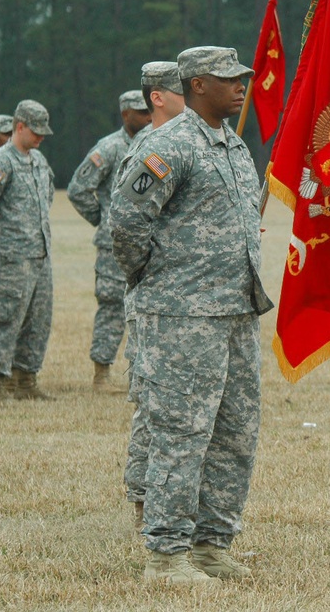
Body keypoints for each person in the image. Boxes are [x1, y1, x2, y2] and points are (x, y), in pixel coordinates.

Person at [110, 46, 272, 586]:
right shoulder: (168, 144)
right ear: (196, 85)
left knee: (234, 433)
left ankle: (211, 544)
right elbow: (127, 224)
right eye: (228, 79)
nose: (241, 87)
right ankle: (167, 555)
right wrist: (158, 281)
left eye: (243, 78)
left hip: (235, 312)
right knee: (181, 434)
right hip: (181, 318)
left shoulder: (232, 145)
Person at [120, 60, 186, 527]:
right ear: (157, 96)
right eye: (180, 89)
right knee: (154, 400)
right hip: (159, 299)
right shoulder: (152, 149)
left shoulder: (196, 144)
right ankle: (144, 499)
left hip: (192, 301)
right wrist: (149, 274)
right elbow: (127, 227)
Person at [67, 90, 151, 392]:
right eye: (141, 112)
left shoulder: (154, 144)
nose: (148, 116)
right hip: (114, 247)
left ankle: (143, 375)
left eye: (150, 111)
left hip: (148, 244)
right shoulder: (110, 147)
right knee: (112, 306)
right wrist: (103, 220)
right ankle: (101, 374)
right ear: (125, 114)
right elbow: (78, 188)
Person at [0, 100, 56, 401]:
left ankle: (25, 380)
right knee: (6, 318)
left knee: (38, 318)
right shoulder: (2, 161)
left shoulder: (38, 161)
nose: (40, 137)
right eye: (35, 131)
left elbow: (47, 198)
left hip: (40, 255)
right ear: (19, 127)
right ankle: (0, 382)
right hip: (11, 257)